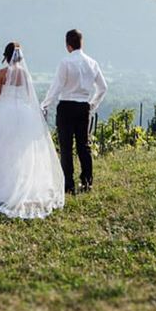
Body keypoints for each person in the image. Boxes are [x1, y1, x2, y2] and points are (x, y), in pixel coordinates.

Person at [0, 42, 65, 219]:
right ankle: (18, 187)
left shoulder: (1, 74)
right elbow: (30, 98)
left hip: (3, 114)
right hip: (23, 116)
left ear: (6, 56)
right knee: (18, 154)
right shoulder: (25, 75)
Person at [41, 29, 108, 194]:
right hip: (83, 107)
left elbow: (56, 87)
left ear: (67, 45)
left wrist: (45, 105)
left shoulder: (65, 62)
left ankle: (68, 185)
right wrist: (92, 105)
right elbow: (103, 88)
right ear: (81, 42)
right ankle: (87, 182)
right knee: (83, 146)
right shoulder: (92, 63)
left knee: (66, 147)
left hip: (66, 107)